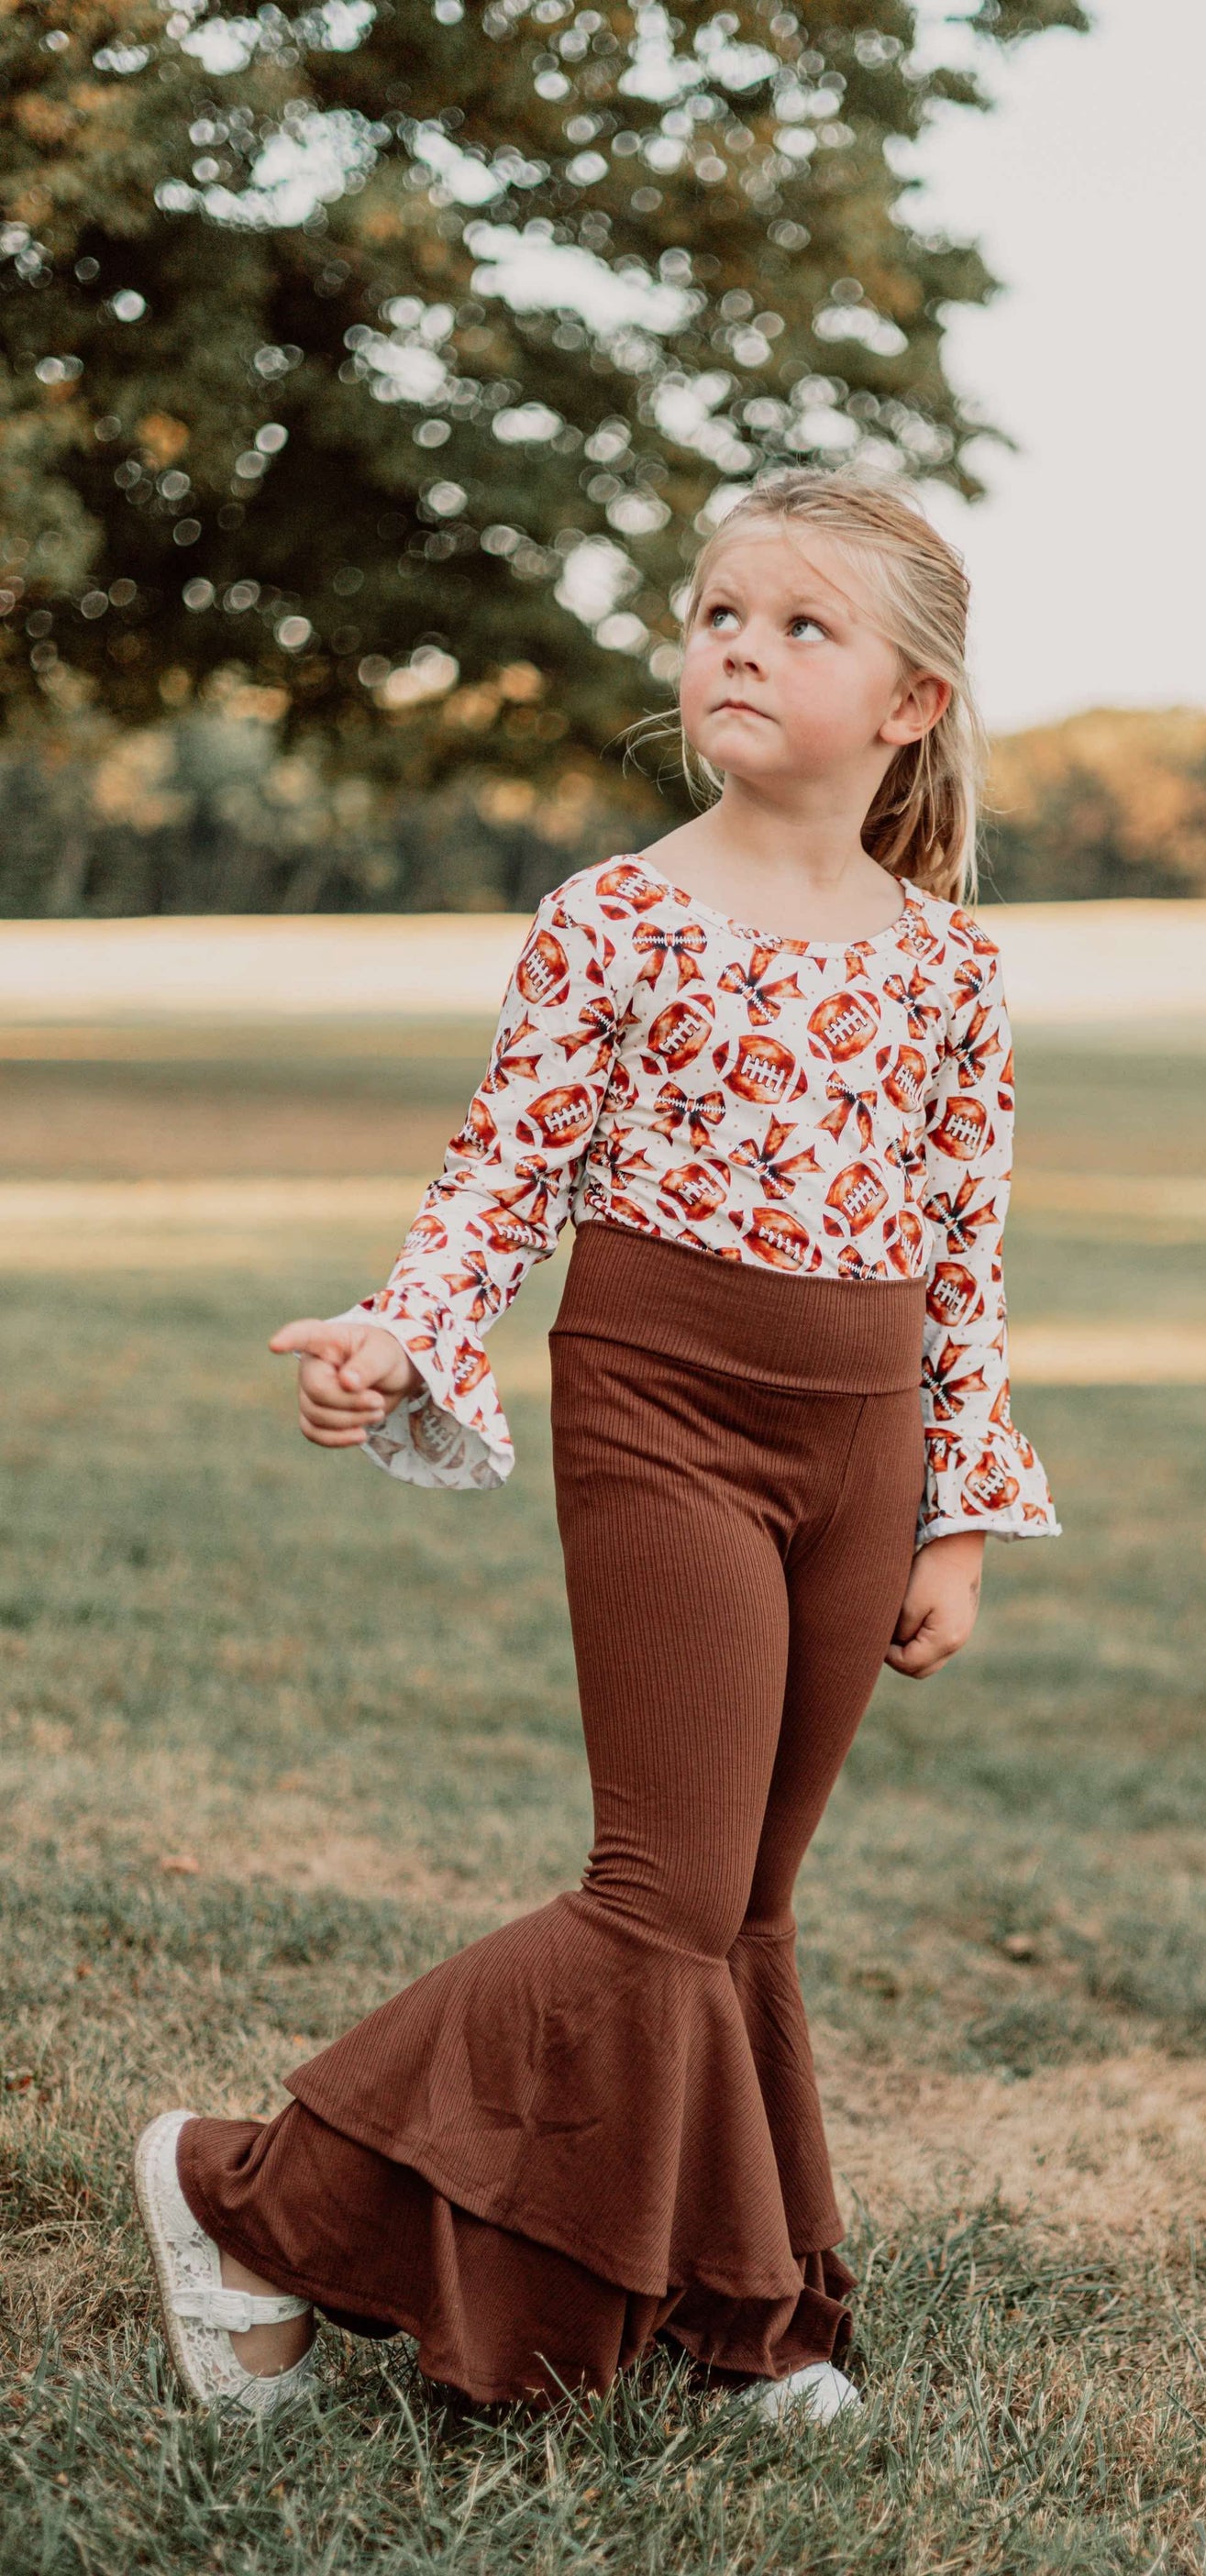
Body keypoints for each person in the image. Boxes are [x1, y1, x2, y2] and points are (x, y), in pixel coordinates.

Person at [132, 469, 1057, 2425]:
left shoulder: (951, 965)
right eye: (719, 612)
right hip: (667, 1419)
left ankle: (750, 2311)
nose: (740, 647)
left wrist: (957, 1514)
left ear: (909, 704)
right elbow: (502, 1173)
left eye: (801, 625)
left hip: (864, 1444)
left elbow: (965, 1255)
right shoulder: (615, 918)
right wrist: (402, 1331)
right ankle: (241, 2198)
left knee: (750, 1906)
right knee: (660, 1897)